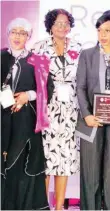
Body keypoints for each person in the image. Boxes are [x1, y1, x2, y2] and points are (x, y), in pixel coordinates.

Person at [76, 10, 110, 210]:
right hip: (92, 120)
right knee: (91, 172)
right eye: (100, 30)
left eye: (107, 30)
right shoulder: (87, 55)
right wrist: (87, 115)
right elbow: (80, 88)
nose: (103, 35)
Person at [31, 9, 82, 210]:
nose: (62, 26)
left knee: (65, 160)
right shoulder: (39, 48)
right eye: (58, 23)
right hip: (47, 110)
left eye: (66, 23)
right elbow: (33, 80)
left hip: (71, 110)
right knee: (46, 159)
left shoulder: (78, 48)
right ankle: (43, 205)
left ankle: (59, 206)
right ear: (50, 26)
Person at [1, 17, 53, 210]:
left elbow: (49, 89)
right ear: (8, 34)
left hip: (26, 124)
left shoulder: (37, 60)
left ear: (29, 37)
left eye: (23, 33)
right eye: (14, 32)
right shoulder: (0, 58)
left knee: (24, 167)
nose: (17, 36)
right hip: (2, 123)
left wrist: (27, 95)